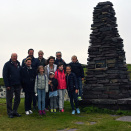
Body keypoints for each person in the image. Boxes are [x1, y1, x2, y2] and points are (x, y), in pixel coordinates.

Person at [3, 53, 21, 118]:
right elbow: (5, 75)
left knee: (18, 99)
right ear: (11, 57)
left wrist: (20, 84)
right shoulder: (7, 64)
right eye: (14, 56)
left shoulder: (18, 64)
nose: (15, 57)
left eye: (16, 56)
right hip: (10, 85)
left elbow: (20, 74)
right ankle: (10, 112)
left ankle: (15, 111)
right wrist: (7, 85)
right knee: (9, 99)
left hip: (18, 84)